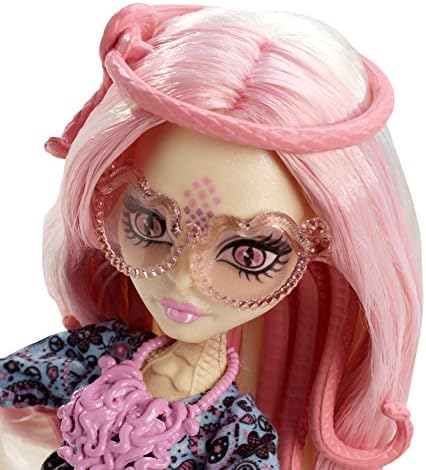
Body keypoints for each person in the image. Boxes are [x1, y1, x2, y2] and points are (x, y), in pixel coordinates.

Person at [0, 4, 422, 469]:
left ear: (318, 247)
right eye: (152, 226)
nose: (184, 280)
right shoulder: (104, 353)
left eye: (247, 254)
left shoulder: (235, 431)